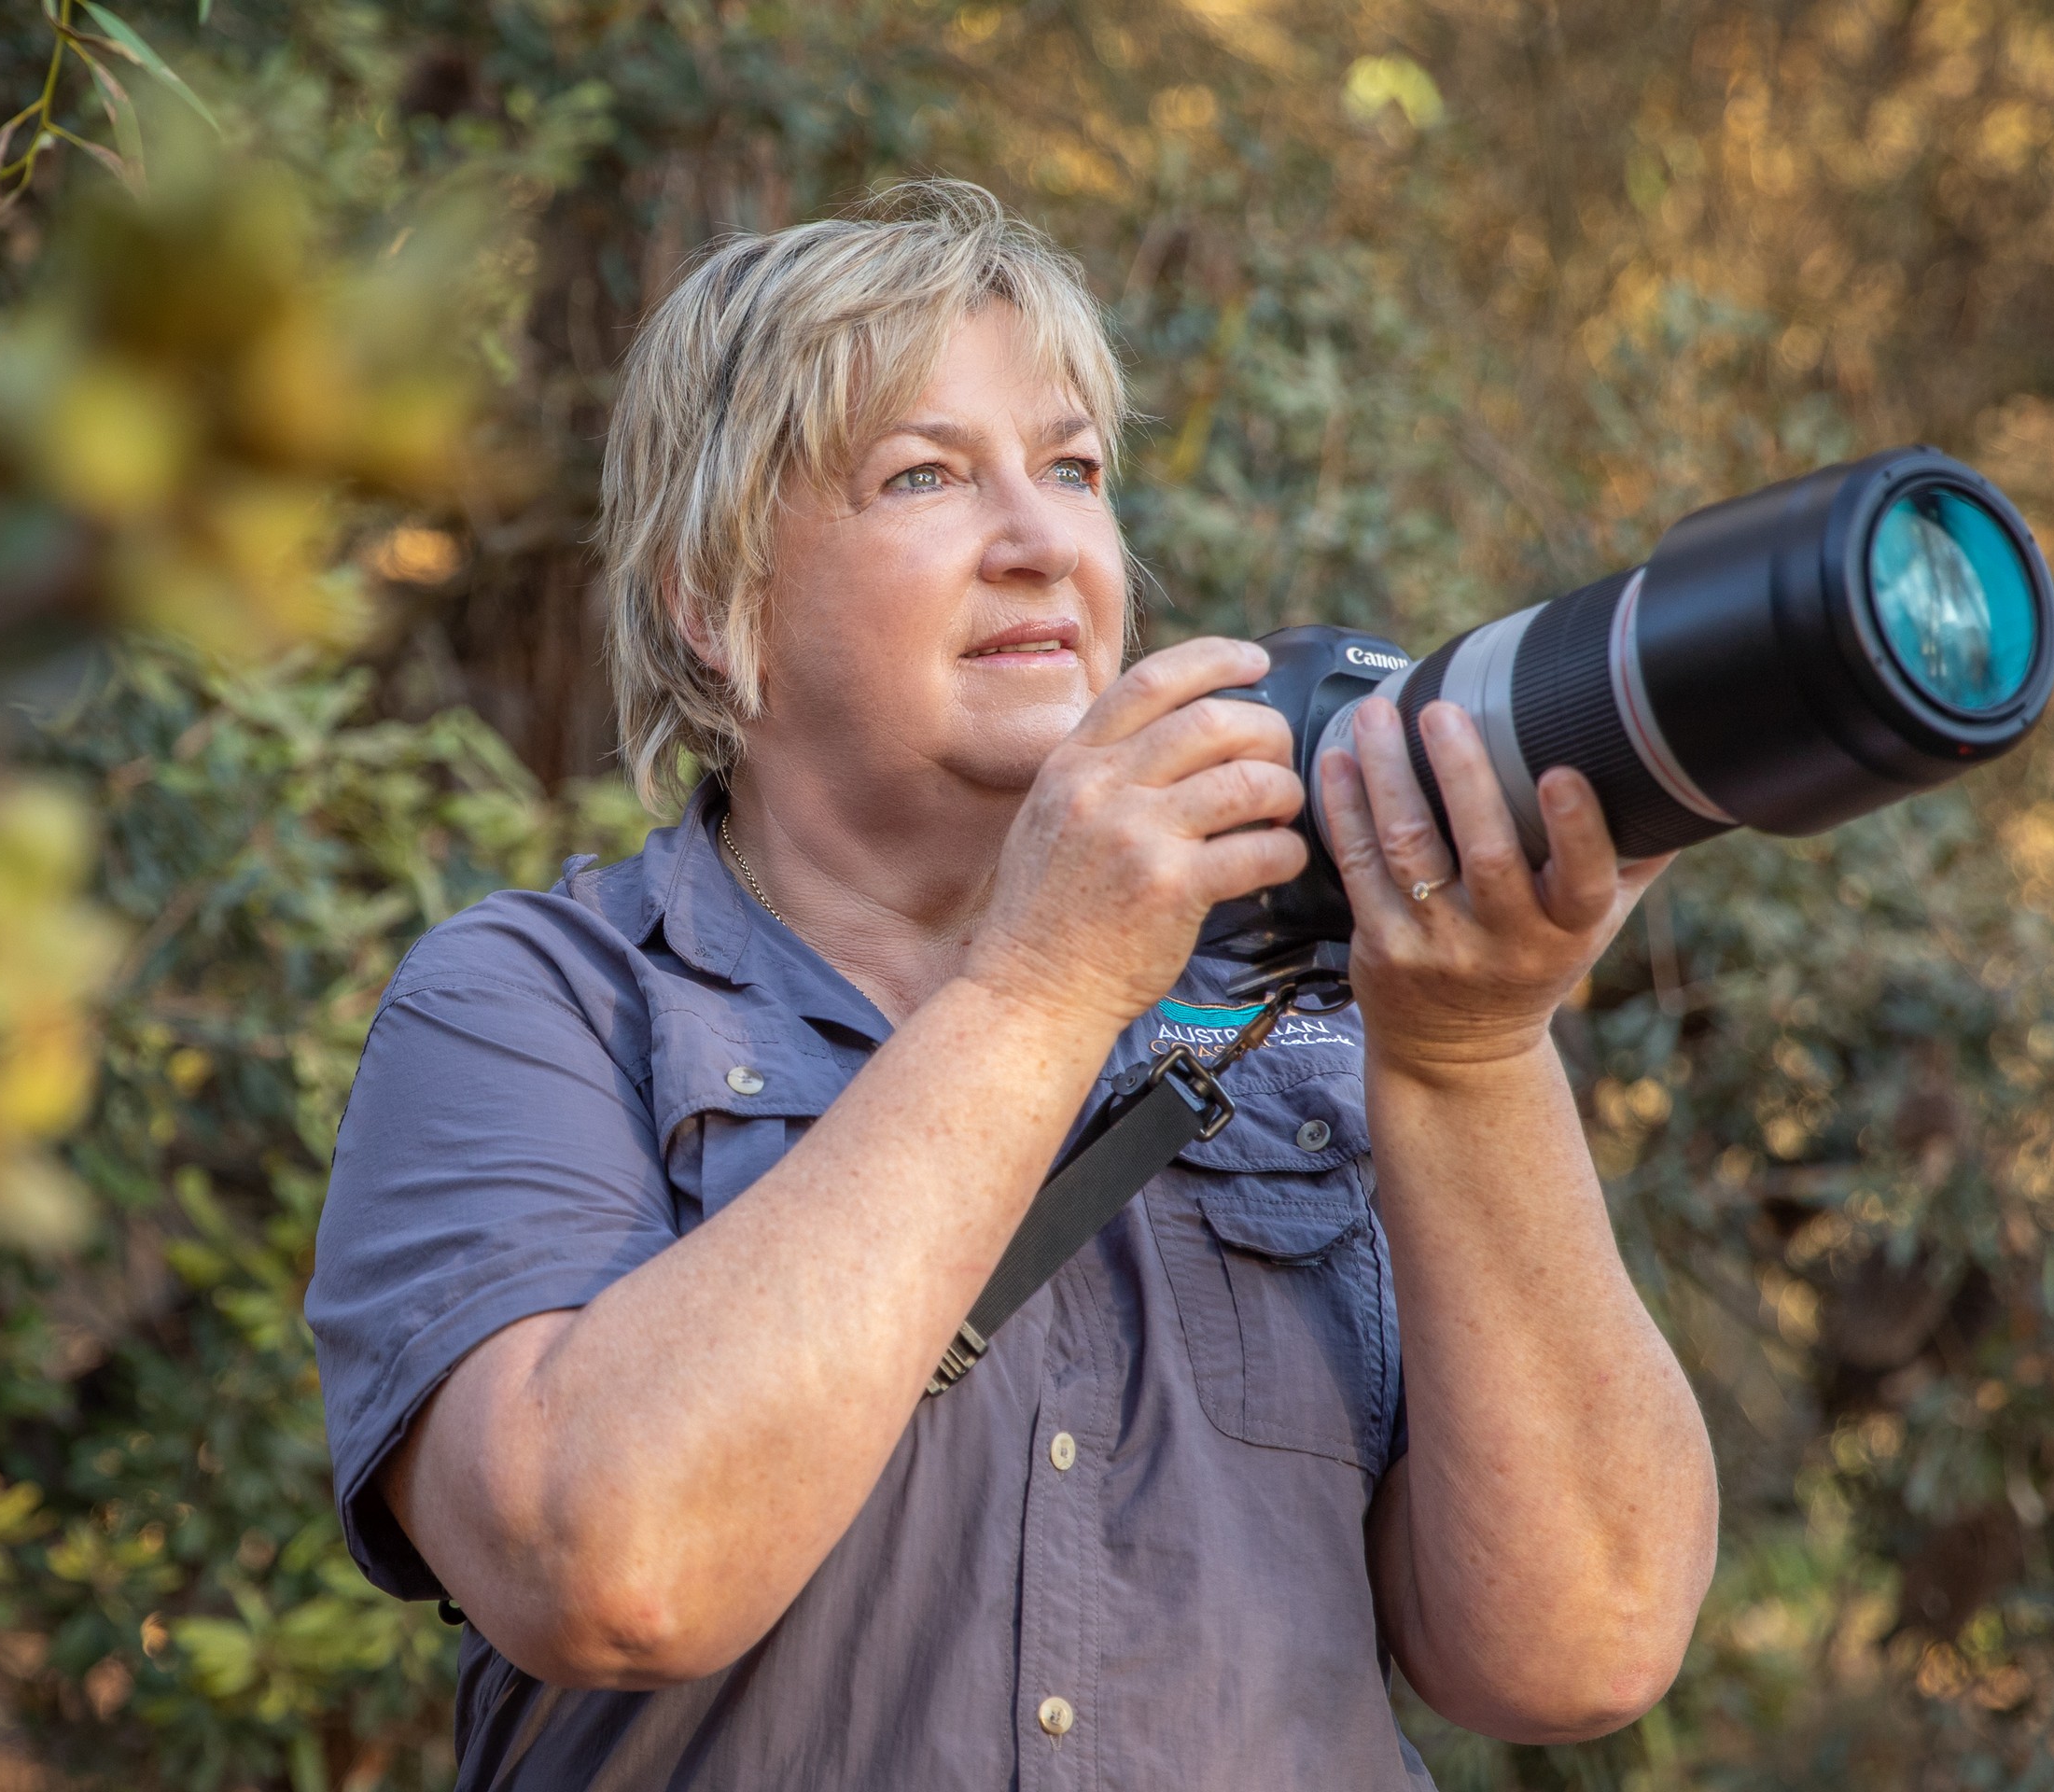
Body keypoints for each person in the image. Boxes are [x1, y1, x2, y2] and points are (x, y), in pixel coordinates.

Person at [308, 180, 1718, 1790]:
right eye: (924, 475)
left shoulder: (1316, 1043)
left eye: (1073, 470)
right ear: (717, 603)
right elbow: (613, 1570)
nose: (1045, 541)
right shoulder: (532, 1007)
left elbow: (1578, 1643)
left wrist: (1472, 1054)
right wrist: (1041, 988)